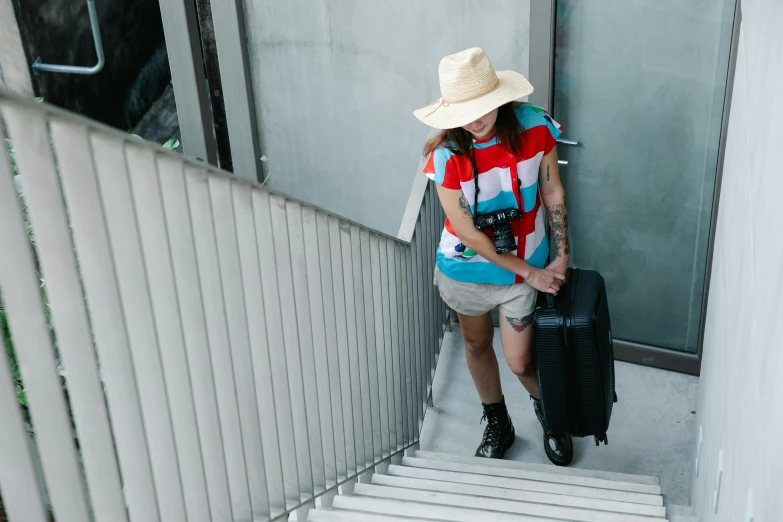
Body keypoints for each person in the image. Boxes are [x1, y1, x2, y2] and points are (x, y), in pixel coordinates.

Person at [414, 48, 573, 465]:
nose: (475, 119)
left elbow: (552, 190)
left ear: (499, 97)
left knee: (521, 360)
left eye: (482, 107)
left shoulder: (534, 127)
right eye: (463, 111)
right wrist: (530, 273)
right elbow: (466, 230)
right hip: (468, 269)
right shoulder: (445, 155)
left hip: (526, 266)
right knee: (476, 343)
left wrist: (562, 254)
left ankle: (551, 413)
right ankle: (498, 421)